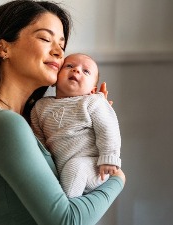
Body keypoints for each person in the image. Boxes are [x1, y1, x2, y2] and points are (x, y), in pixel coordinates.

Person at [0, 1, 126, 224]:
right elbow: (67, 220)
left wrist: (84, 130)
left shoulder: (10, 120)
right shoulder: (4, 124)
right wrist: (117, 179)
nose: (58, 51)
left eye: (62, 44)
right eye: (45, 38)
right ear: (4, 48)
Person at [30, 53, 122, 198]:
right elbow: (38, 138)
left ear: (92, 90)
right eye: (69, 66)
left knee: (75, 167)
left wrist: (109, 157)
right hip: (60, 168)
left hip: (93, 166)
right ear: (55, 79)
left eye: (86, 71)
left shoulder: (93, 102)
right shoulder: (41, 107)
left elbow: (108, 128)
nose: (76, 70)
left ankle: (65, 211)